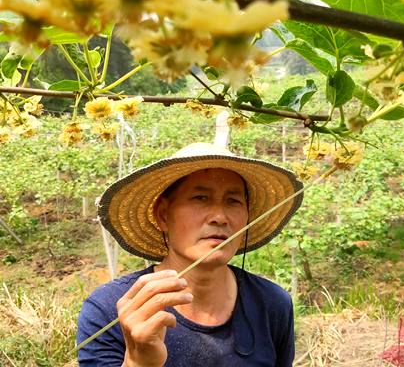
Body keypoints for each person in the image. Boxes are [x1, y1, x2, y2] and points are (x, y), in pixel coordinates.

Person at [76, 142, 304, 366]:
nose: (220, 217)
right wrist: (138, 361)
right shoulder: (110, 310)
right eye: (200, 198)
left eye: (233, 201)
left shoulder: (272, 304)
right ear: (163, 215)